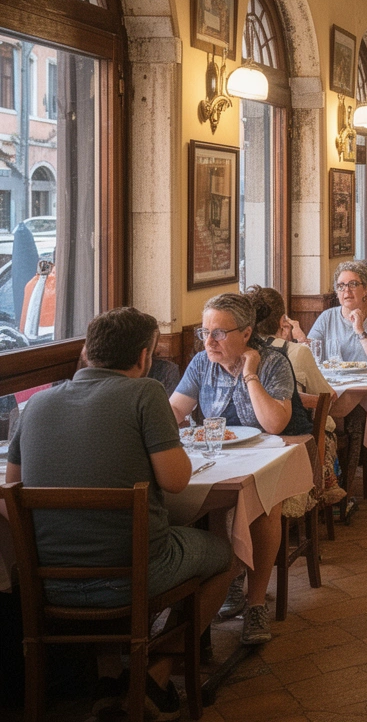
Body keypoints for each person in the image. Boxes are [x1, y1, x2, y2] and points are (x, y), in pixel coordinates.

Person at [6, 307, 241, 718]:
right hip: (132, 575)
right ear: (144, 356)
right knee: (225, 556)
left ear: (87, 351)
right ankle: (154, 674)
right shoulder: (145, 393)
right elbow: (175, 481)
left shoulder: (37, 405)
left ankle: (110, 677)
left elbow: (12, 490)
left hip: (47, 582)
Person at [170, 292, 314, 646]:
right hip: (220, 457)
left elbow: (275, 424)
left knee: (266, 504)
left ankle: (255, 603)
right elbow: (174, 410)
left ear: (246, 333)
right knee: (208, 502)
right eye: (204, 332)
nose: (209, 342)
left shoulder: (273, 363)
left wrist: (250, 374)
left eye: (218, 333)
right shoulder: (201, 363)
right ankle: (228, 578)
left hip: (272, 455)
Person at [246, 286, 345, 510]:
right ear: (283, 321)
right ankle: (330, 492)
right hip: (291, 437)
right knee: (331, 428)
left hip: (254, 438)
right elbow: (327, 397)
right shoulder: (295, 351)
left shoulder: (243, 353)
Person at [304, 262, 367, 367]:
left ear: (366, 289)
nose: (347, 290)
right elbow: (309, 356)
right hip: (332, 377)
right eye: (341, 286)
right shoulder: (327, 318)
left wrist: (360, 331)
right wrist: (301, 340)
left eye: (353, 284)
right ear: (337, 293)